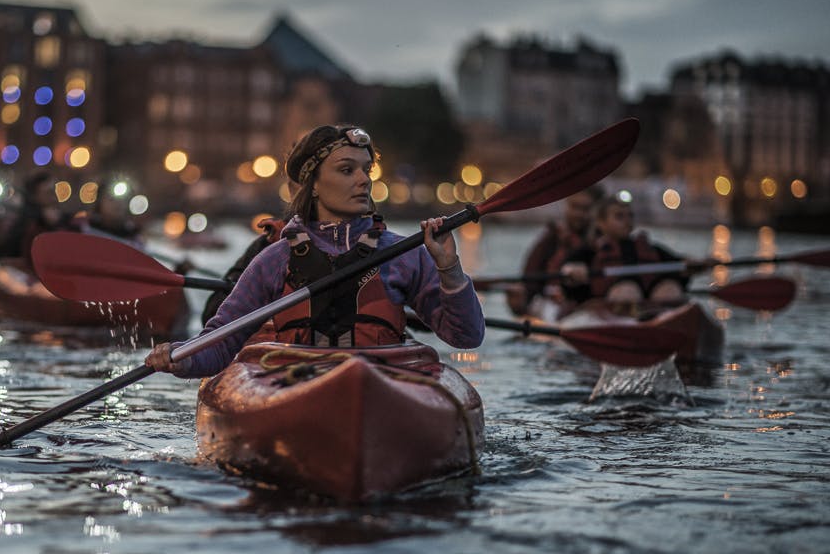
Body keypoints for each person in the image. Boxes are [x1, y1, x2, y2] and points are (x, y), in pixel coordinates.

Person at [145, 124, 486, 378]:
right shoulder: (275, 259)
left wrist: (450, 268)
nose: (364, 180)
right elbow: (220, 344)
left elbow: (466, 335)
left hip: (382, 382)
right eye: (346, 170)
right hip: (295, 382)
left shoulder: (403, 254)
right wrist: (181, 358)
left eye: (366, 169)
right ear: (313, 185)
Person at [559, 195, 687, 305]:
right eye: (619, 216)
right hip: (608, 306)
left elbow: (680, 264)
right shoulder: (590, 251)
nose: (627, 221)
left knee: (670, 289)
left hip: (651, 308)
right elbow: (568, 268)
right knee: (627, 291)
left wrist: (689, 266)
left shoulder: (651, 248)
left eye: (630, 216)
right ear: (601, 222)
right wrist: (572, 271)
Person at [505, 186, 598, 317]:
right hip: (551, 306)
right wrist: (520, 301)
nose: (579, 214)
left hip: (588, 308)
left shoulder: (602, 241)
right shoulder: (551, 238)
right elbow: (530, 277)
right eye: (574, 207)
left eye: (585, 209)